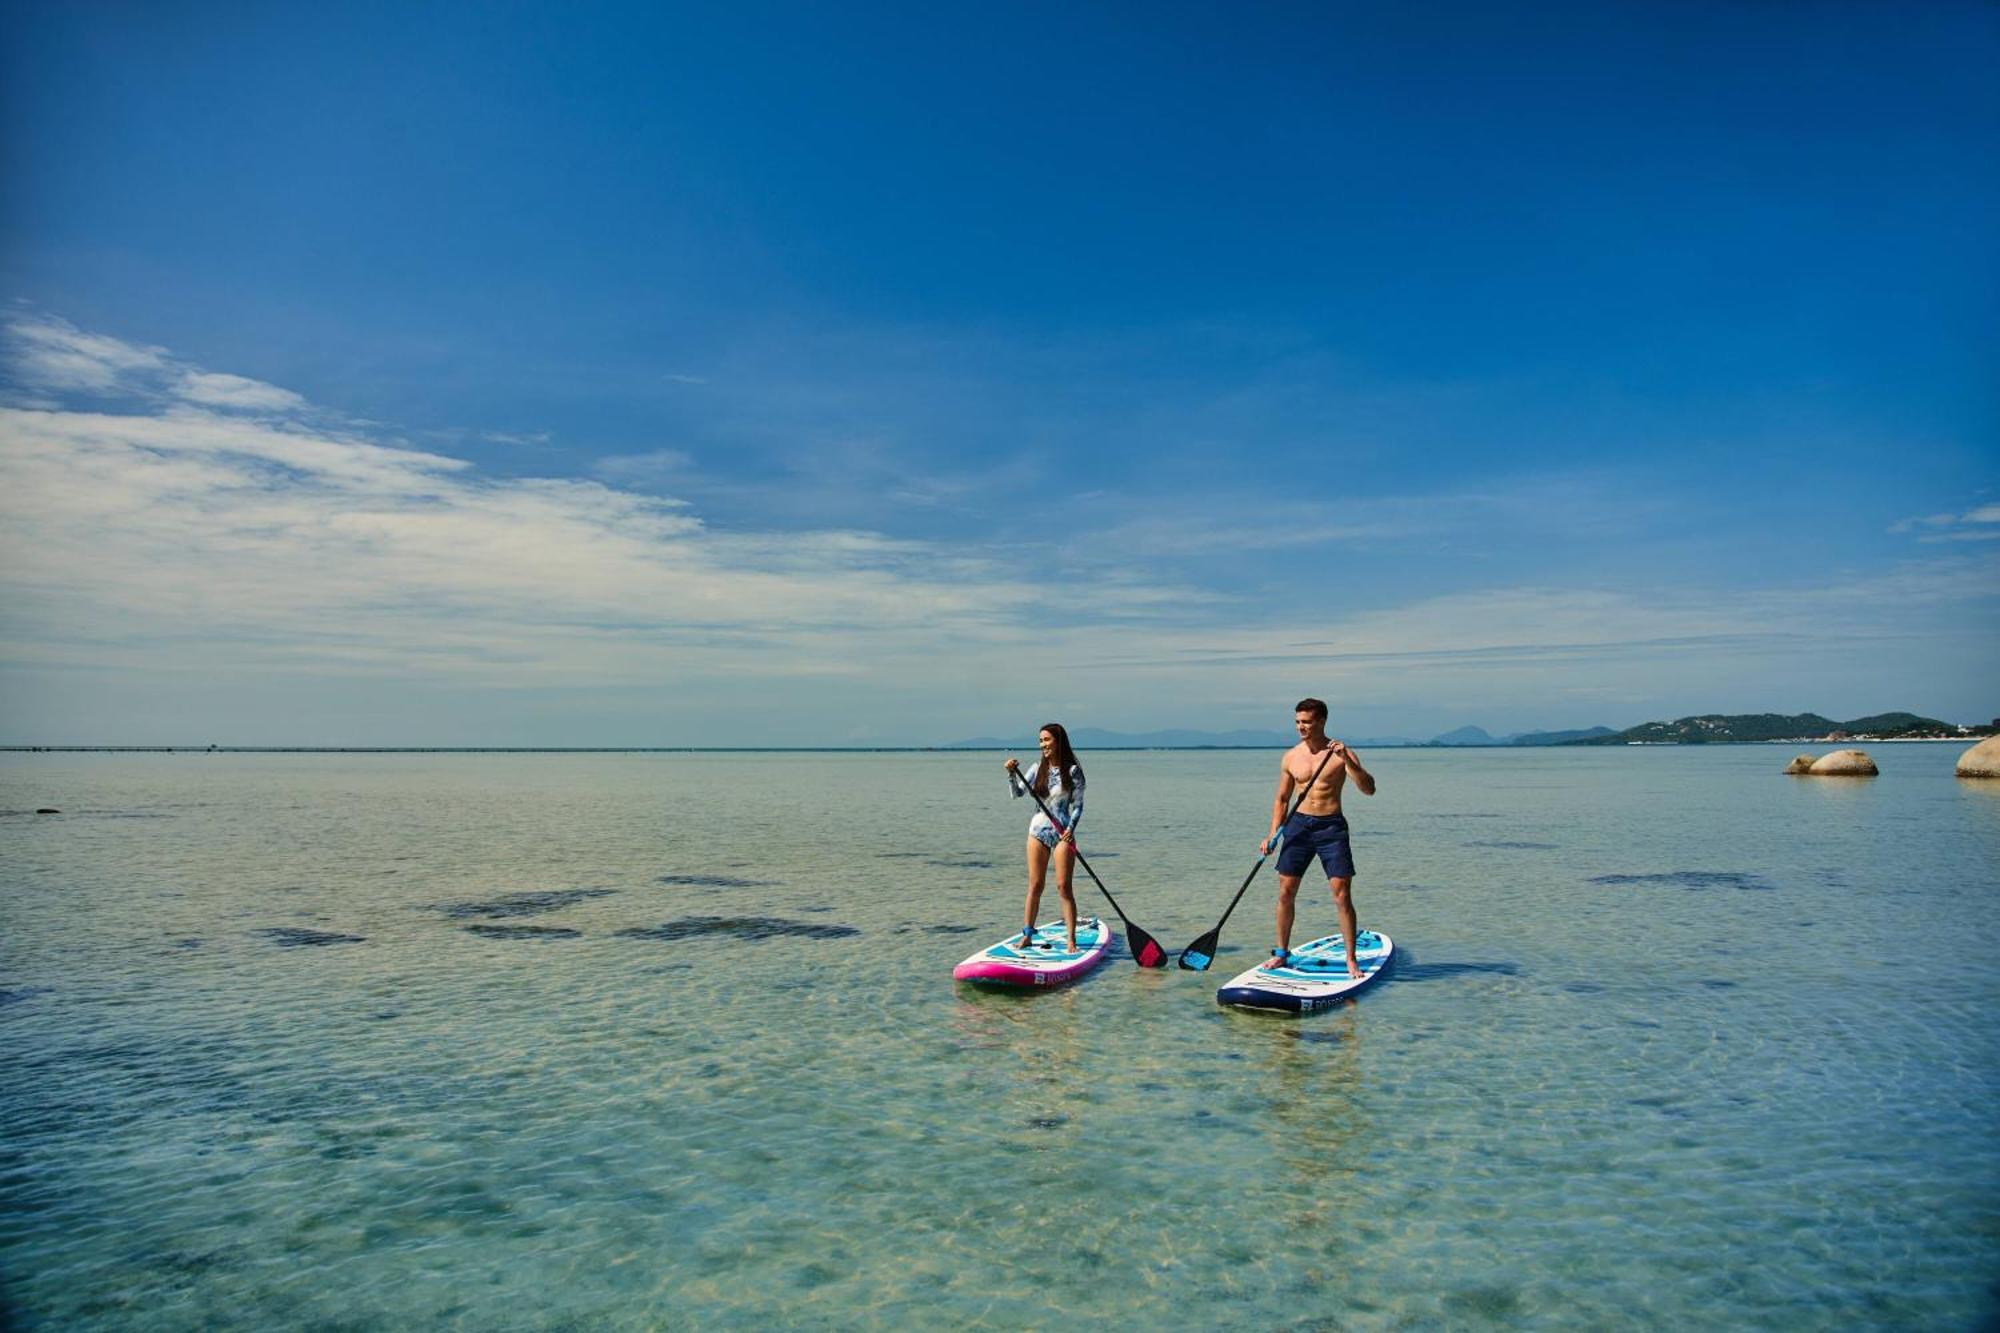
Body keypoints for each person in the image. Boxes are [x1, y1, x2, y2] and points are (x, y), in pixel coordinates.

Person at [1261, 697, 1377, 977]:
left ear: (1322, 721)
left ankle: (1351, 958)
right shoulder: (1291, 756)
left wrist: (1349, 761)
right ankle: (1280, 954)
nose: (1301, 727)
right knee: (1286, 892)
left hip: (1331, 828)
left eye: (1307, 722)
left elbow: (1368, 789)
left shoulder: (1340, 753)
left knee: (1341, 894)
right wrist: (1272, 834)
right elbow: (1282, 798)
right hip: (1298, 826)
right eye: (1298, 722)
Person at [1002, 723, 1085, 953]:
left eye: (1047, 740)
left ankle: (1071, 940)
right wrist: (1011, 774)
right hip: (1037, 832)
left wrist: (1070, 828)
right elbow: (1016, 794)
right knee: (1035, 885)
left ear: (1058, 741)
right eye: (1040, 740)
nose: (1043, 744)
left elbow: (1078, 806)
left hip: (1062, 835)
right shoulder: (1036, 768)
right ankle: (1027, 935)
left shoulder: (1072, 771)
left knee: (1063, 887)